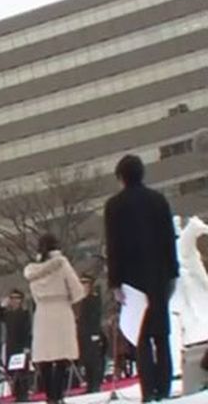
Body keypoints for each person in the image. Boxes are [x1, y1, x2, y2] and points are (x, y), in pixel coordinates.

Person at [104, 155, 180, 403]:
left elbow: (113, 246)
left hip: (131, 281)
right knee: (161, 334)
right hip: (159, 275)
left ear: (121, 177)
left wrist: (114, 282)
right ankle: (164, 388)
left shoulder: (114, 206)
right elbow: (169, 238)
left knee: (141, 336)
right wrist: (173, 272)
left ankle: (149, 391)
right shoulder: (158, 200)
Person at [25, 234, 85, 404]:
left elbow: (34, 295)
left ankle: (49, 396)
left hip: (42, 312)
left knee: (44, 357)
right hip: (61, 309)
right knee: (62, 355)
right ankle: (58, 395)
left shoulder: (32, 269)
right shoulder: (61, 263)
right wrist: (69, 299)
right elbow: (77, 289)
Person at [2, 289, 33, 402]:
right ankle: (16, 394)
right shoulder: (7, 314)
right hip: (11, 346)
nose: (14, 301)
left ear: (21, 300)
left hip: (21, 346)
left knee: (22, 372)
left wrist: (27, 346)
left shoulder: (24, 313)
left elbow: (27, 331)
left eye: (17, 298)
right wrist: (3, 304)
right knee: (12, 372)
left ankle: (24, 394)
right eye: (12, 298)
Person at [77, 275, 105, 394]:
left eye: (85, 284)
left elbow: (95, 317)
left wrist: (95, 333)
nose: (83, 287)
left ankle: (95, 384)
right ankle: (89, 384)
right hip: (83, 334)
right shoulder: (81, 300)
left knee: (94, 360)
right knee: (86, 360)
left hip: (92, 333)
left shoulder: (94, 299)